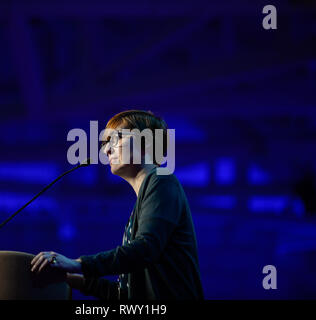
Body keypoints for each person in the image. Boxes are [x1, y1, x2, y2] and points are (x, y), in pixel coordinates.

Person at [31, 110, 204, 300]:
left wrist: (78, 264)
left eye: (116, 139)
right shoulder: (143, 205)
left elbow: (146, 249)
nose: (106, 150)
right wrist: (71, 278)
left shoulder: (162, 180)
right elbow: (126, 296)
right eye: (105, 143)